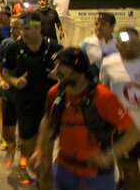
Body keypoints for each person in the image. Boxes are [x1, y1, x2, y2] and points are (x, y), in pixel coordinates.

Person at [30, 47, 140, 190]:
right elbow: (47, 120)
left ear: (78, 68)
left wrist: (110, 155)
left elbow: (134, 132)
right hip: (63, 171)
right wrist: (39, 148)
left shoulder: (103, 97)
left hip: (96, 178)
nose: (56, 71)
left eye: (61, 66)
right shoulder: (56, 94)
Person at [2, 11, 62, 185]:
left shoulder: (55, 49)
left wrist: (58, 76)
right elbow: (6, 72)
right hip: (25, 105)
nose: (23, 32)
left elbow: (69, 74)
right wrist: (15, 81)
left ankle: (44, 182)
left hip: (48, 106)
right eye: (21, 29)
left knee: (45, 153)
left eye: (27, 28)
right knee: (28, 149)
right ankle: (34, 172)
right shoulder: (13, 48)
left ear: (38, 27)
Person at [99, 27, 140, 189]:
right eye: (125, 44)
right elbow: (103, 91)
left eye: (133, 43)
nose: (129, 47)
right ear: (117, 45)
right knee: (129, 174)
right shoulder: (108, 63)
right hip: (123, 129)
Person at [0, 15, 21, 168]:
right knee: (7, 128)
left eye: (17, 27)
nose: (13, 30)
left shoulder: (30, 45)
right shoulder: (6, 44)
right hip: (8, 91)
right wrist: (1, 80)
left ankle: (22, 161)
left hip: (24, 94)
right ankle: (10, 144)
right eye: (12, 27)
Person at [80, 12, 118, 77]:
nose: (98, 27)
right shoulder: (86, 43)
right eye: (96, 24)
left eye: (103, 24)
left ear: (112, 27)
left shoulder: (120, 43)